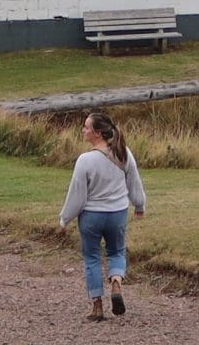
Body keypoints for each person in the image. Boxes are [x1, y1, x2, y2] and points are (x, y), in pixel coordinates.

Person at [58, 110, 146, 321]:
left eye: (86, 127)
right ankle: (116, 282)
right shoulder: (124, 153)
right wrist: (139, 204)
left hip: (91, 216)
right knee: (117, 251)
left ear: (97, 133)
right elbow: (134, 181)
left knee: (92, 258)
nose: (83, 130)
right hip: (117, 213)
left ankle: (97, 306)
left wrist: (65, 218)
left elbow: (77, 194)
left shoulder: (85, 160)